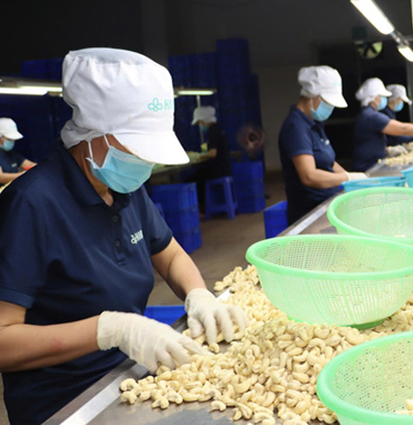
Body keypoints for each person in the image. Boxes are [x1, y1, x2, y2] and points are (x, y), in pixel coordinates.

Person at [0, 48, 247, 425]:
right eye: (137, 148)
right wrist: (110, 329)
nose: (146, 164)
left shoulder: (125, 190)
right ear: (93, 135)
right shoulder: (32, 205)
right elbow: (4, 341)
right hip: (64, 402)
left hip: (128, 376)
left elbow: (171, 254)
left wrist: (199, 296)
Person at [279, 66, 365, 225]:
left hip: (326, 203)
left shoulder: (314, 124)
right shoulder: (296, 127)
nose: (330, 108)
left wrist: (353, 180)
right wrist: (346, 177)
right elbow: (309, 176)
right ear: (312, 96)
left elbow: (328, 161)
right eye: (326, 102)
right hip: (309, 213)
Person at [352, 78, 413, 172]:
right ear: (375, 97)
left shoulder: (368, 114)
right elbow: (402, 129)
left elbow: (370, 142)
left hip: (371, 163)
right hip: (368, 167)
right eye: (382, 96)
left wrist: (387, 150)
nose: (384, 99)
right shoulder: (371, 116)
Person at [185, 106, 232, 212]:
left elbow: (212, 153)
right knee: (199, 174)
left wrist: (197, 156)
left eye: (200, 123)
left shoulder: (213, 131)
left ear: (204, 121)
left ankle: (201, 209)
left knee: (192, 180)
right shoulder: (218, 128)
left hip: (219, 170)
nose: (200, 126)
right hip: (225, 168)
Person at [0, 118, 35, 185]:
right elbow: (1, 177)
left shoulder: (11, 153)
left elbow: (29, 164)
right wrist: (23, 175)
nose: (12, 142)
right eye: (9, 139)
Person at [383, 84, 413, 149]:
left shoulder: (391, 112)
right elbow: (395, 133)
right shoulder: (384, 114)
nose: (402, 103)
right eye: (401, 100)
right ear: (395, 99)